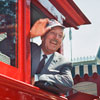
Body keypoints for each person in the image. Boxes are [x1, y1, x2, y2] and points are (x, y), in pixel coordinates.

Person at [30, 18, 74, 95]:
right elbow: (4, 46)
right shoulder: (30, 48)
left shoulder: (64, 62)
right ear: (42, 37)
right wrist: (30, 35)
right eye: (53, 33)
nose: (56, 37)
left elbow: (68, 83)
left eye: (60, 36)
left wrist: (37, 78)